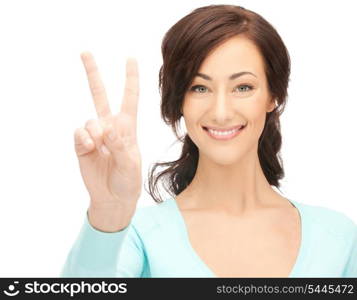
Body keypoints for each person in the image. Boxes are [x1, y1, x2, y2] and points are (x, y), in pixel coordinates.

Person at [60, 4, 357, 277]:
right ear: (180, 101)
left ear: (273, 95)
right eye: (199, 88)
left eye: (243, 87)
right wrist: (109, 210)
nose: (221, 112)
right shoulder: (136, 236)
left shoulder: (336, 238)